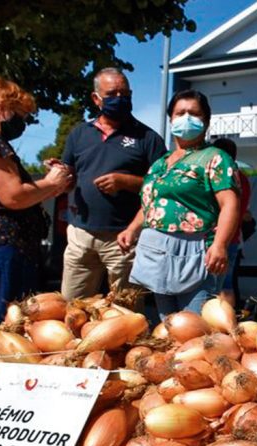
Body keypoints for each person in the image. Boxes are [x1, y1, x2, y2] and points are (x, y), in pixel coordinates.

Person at [0, 77, 74, 325]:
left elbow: (15, 194)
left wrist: (50, 184)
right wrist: (50, 182)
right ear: (1, 106)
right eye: (20, 113)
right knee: (0, 324)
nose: (23, 122)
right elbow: (14, 196)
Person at [127, 89, 240, 318]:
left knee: (194, 328)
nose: (186, 118)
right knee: (168, 326)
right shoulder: (160, 164)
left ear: (206, 121)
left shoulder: (215, 158)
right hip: (157, 253)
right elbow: (151, 204)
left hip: (197, 253)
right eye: (180, 113)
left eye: (194, 113)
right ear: (170, 119)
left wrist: (220, 245)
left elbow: (231, 204)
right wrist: (132, 228)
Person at [59, 68, 167, 300]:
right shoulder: (79, 134)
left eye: (125, 93)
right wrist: (59, 174)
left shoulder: (148, 138)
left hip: (124, 240)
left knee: (126, 315)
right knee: (71, 308)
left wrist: (126, 182)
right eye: (112, 94)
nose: (120, 99)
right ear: (96, 99)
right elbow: (68, 180)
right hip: (81, 235)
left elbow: (164, 189)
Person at [211, 137, 253, 306]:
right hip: (234, 237)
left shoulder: (221, 175)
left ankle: (216, 325)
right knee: (226, 284)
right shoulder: (243, 178)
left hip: (216, 237)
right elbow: (244, 211)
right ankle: (229, 324)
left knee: (213, 286)